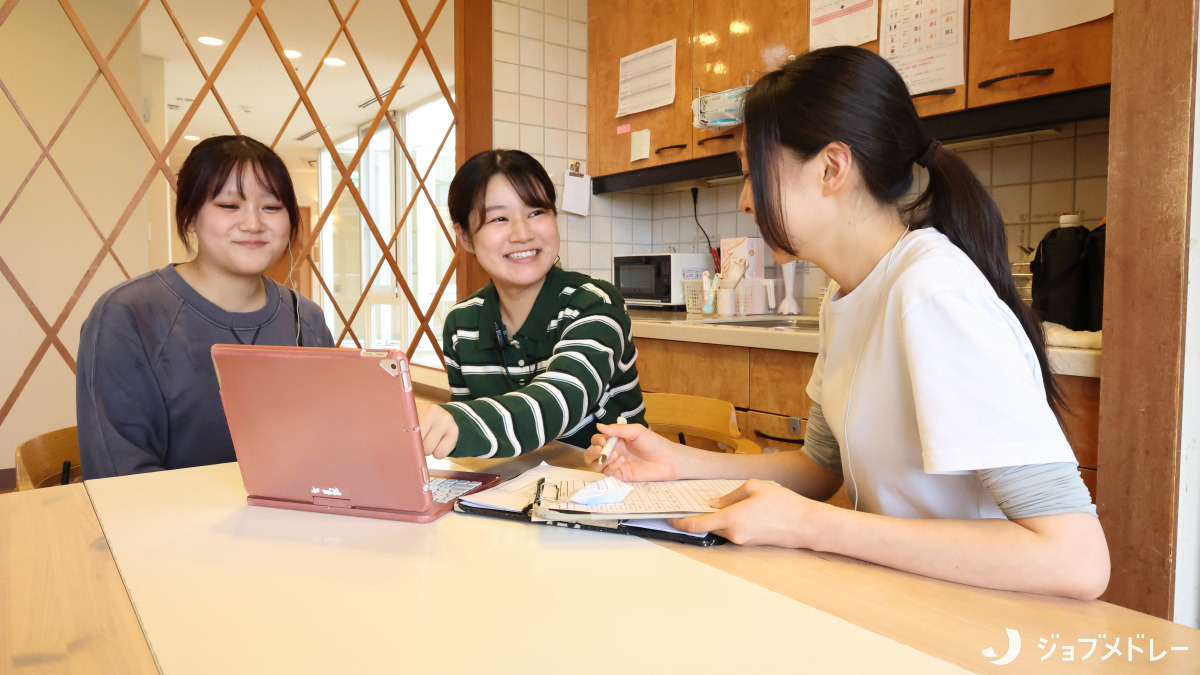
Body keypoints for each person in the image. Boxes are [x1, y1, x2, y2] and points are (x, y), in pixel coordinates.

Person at [586, 47, 1110, 601]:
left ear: (832, 168)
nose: (745, 201)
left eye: (751, 176)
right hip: (903, 598)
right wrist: (678, 462)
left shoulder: (931, 291)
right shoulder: (849, 291)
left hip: (982, 616)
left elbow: (1075, 559)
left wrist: (810, 525)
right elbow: (820, 467)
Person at [78, 135, 334, 479]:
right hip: (165, 527)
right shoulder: (128, 314)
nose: (254, 224)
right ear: (189, 217)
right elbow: (120, 476)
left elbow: (332, 442)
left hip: (295, 525)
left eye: (271, 207)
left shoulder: (307, 317)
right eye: (229, 206)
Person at [419, 150, 646, 458]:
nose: (523, 234)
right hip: (511, 494)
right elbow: (473, 449)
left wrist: (457, 423)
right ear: (465, 236)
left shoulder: (595, 304)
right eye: (499, 218)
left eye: (536, 212)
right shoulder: (462, 323)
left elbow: (558, 401)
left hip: (609, 490)